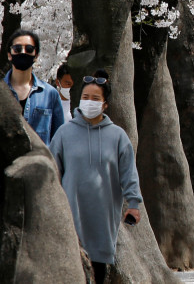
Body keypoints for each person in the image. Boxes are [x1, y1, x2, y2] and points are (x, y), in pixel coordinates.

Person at [49, 70, 142, 284]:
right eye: (85, 97)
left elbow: (129, 172)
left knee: (99, 269)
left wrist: (134, 203)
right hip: (71, 212)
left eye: (95, 99)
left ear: (105, 104)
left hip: (103, 214)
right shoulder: (64, 133)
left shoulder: (118, 136)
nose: (89, 102)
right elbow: (53, 171)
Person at [4, 29, 65, 144]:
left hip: (38, 160)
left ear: (36, 56)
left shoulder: (50, 94)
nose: (23, 52)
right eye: (17, 49)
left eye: (29, 49)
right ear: (9, 55)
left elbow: (58, 140)